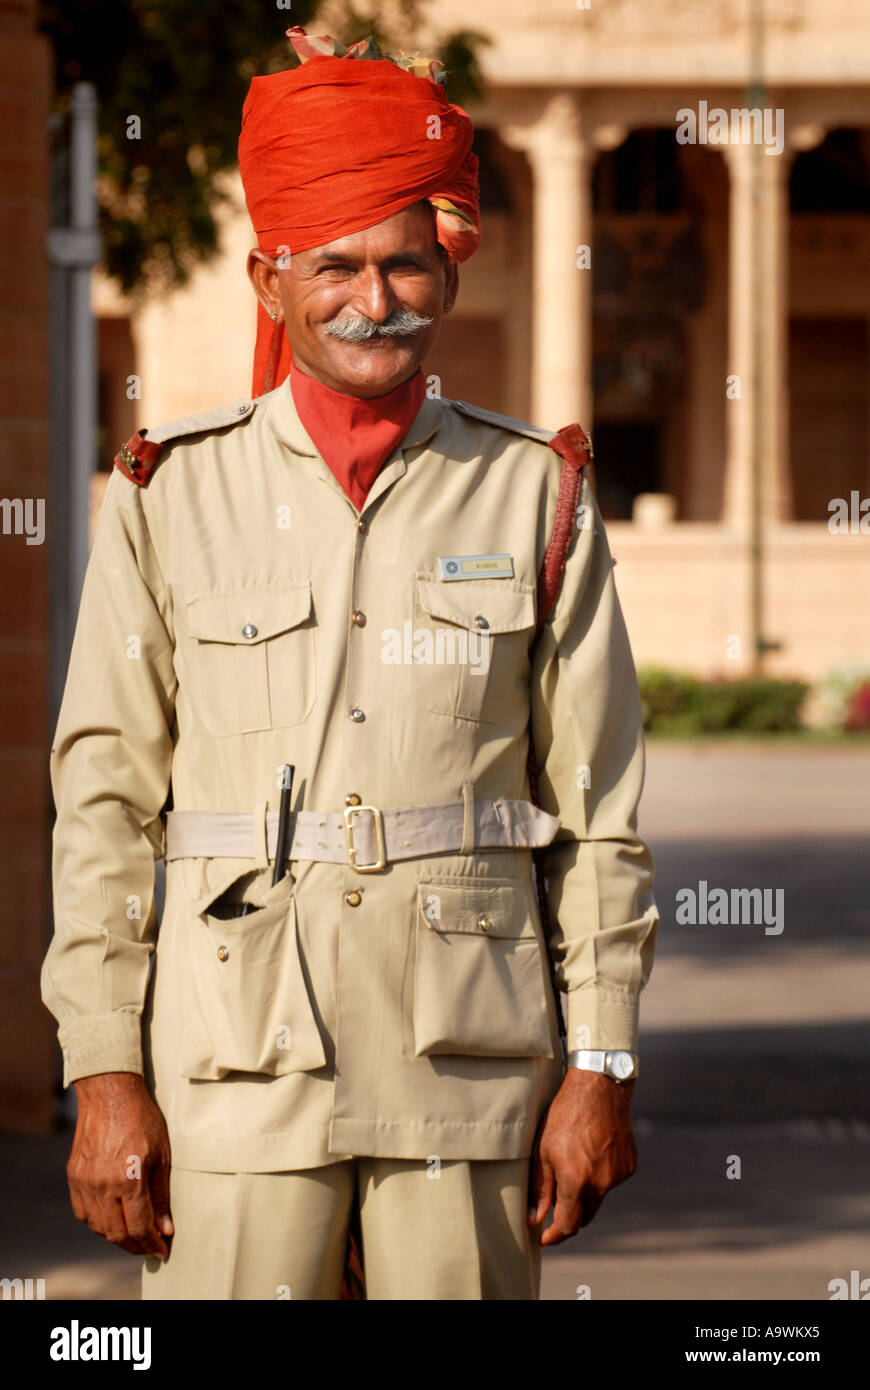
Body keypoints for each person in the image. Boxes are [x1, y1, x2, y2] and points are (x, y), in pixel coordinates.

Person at [41, 26, 659, 1301]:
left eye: (403, 266)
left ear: (447, 272)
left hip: (469, 1076)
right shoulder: (170, 493)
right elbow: (103, 804)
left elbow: (602, 817)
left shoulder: (535, 495)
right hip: (233, 1075)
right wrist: (104, 1073)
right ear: (271, 282)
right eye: (337, 268)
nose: (374, 301)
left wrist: (600, 1066)